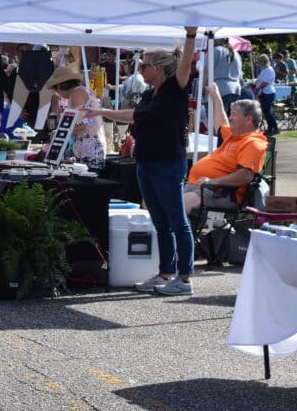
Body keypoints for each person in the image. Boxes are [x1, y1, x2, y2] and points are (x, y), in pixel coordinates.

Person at [84, 28, 197, 296]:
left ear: (158, 68)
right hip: (146, 162)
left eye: (144, 65)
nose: (140, 70)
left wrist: (190, 37)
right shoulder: (150, 94)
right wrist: (101, 111)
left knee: (177, 221)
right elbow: (132, 115)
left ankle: (184, 278)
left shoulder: (174, 88)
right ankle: (165, 273)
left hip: (168, 162)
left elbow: (185, 63)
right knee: (160, 221)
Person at [182, 89, 267, 214]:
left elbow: (245, 175)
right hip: (201, 187)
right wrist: (216, 97)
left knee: (173, 208)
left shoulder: (252, 143)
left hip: (220, 192)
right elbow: (221, 122)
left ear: (248, 119)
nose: (230, 118)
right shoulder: (234, 135)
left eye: (234, 115)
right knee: (160, 201)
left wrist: (212, 182)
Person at [42, 66, 106, 170]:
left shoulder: (77, 94)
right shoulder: (79, 92)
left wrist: (59, 132)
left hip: (89, 151)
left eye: (56, 89)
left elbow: (83, 126)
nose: (57, 93)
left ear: (60, 86)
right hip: (88, 149)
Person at [252, 53, 278, 136]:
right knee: (266, 112)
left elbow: (265, 83)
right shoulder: (265, 70)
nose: (258, 63)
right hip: (265, 93)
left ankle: (275, 128)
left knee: (267, 111)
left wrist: (257, 88)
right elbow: (261, 80)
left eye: (259, 61)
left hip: (268, 93)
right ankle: (270, 128)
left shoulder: (268, 70)